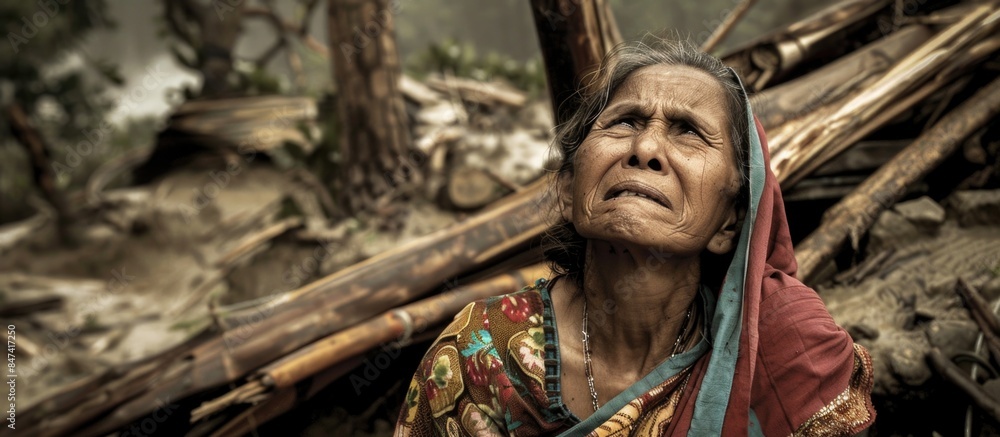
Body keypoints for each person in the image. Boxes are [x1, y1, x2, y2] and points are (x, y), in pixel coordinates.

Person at [394, 38, 875, 436]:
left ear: (730, 222)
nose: (645, 148)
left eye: (687, 131)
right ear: (568, 188)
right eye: (625, 121)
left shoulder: (785, 348)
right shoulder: (481, 354)